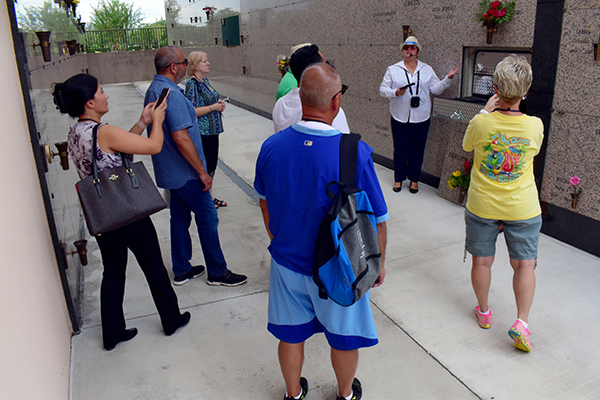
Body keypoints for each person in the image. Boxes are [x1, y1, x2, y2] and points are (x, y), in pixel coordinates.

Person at [255, 63, 389, 400]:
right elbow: (378, 218)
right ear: (336, 102)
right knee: (344, 336)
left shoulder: (271, 147)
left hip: (287, 262)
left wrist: (279, 239)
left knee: (291, 335)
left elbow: (264, 202)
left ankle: (293, 393)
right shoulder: (353, 151)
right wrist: (377, 265)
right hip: (340, 266)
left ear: (300, 97)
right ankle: (345, 394)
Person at [53, 73, 191, 351]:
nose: (107, 95)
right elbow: (153, 146)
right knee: (153, 265)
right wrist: (158, 122)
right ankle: (171, 319)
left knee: (113, 272)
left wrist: (142, 122)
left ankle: (113, 333)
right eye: (102, 91)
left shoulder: (77, 132)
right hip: (128, 211)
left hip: (103, 213)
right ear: (90, 101)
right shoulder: (103, 131)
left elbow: (118, 150)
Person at [144, 46, 247, 287]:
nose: (183, 67)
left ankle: (181, 269)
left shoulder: (154, 89)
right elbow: (181, 137)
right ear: (173, 67)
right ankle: (217, 271)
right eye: (182, 63)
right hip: (186, 172)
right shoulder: (170, 93)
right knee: (208, 216)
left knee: (179, 217)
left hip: (171, 172)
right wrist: (202, 172)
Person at [463, 54, 543, 353]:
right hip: (522, 206)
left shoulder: (481, 124)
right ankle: (521, 322)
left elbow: (467, 146)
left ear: (495, 87)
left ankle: (484, 312)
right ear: (526, 90)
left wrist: (484, 113)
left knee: (482, 261)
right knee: (524, 264)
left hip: (483, 203)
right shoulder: (535, 126)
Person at [379, 36, 459, 193]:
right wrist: (396, 92)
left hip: (421, 117)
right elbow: (382, 89)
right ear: (402, 51)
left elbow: (435, 89)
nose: (409, 50)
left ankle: (414, 179)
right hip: (399, 116)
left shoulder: (426, 69)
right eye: (406, 48)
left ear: (418, 52)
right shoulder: (393, 69)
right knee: (400, 149)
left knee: (417, 149)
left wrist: (447, 79)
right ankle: (398, 178)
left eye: (412, 48)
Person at [272, 44, 350, 133]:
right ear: (315, 71)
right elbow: (342, 142)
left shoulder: (280, 104)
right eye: (325, 65)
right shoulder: (330, 109)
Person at [184, 51, 228, 209]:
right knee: (206, 165)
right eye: (204, 61)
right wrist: (213, 107)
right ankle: (206, 198)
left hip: (212, 131)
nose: (208, 63)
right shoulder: (192, 84)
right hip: (203, 132)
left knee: (211, 165)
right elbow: (192, 110)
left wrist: (218, 106)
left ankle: (209, 196)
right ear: (196, 66)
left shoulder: (205, 81)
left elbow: (209, 102)